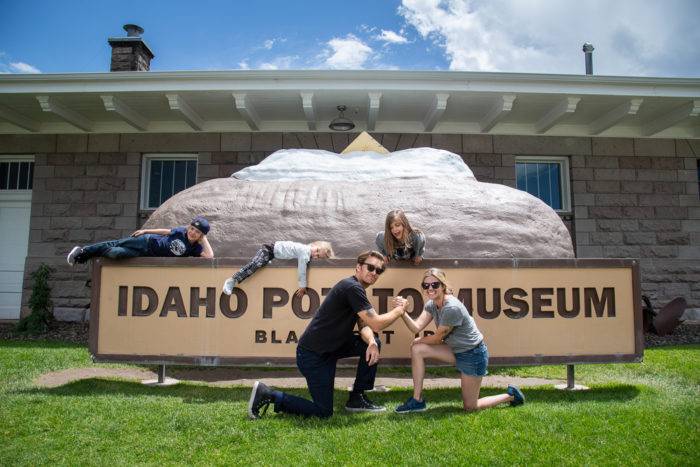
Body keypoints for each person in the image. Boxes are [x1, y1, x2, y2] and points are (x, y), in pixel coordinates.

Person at [247, 250, 408, 419]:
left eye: (379, 270)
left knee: (371, 342)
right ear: (358, 267)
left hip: (332, 349)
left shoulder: (356, 289)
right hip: (313, 356)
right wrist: (400, 310)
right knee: (323, 412)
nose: (374, 273)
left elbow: (365, 326)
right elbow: (376, 322)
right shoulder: (351, 287)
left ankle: (357, 398)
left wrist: (372, 343)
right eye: (371, 267)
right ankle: (269, 394)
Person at [393, 267, 524, 413]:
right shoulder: (432, 304)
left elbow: (437, 339)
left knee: (470, 407)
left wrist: (419, 340)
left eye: (435, 285)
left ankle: (511, 395)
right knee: (417, 349)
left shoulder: (451, 308)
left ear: (443, 286)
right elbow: (416, 327)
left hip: (472, 354)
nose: (430, 288)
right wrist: (401, 312)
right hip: (455, 350)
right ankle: (417, 401)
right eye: (426, 285)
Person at [66, 216, 214, 265]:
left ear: (201, 235)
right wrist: (145, 230)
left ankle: (86, 256)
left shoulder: (194, 249)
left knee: (115, 253)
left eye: (198, 232)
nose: (193, 232)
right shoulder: (181, 231)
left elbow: (210, 257)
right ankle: (83, 251)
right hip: (146, 241)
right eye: (192, 229)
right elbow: (165, 231)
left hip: (145, 254)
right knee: (117, 243)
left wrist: (204, 240)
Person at [222, 241, 334, 297]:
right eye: (317, 250)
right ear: (316, 244)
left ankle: (263, 262)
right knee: (255, 264)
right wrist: (302, 286)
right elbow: (302, 270)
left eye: (318, 256)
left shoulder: (305, 250)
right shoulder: (305, 252)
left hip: (271, 254)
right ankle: (232, 280)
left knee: (258, 264)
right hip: (269, 250)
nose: (316, 254)